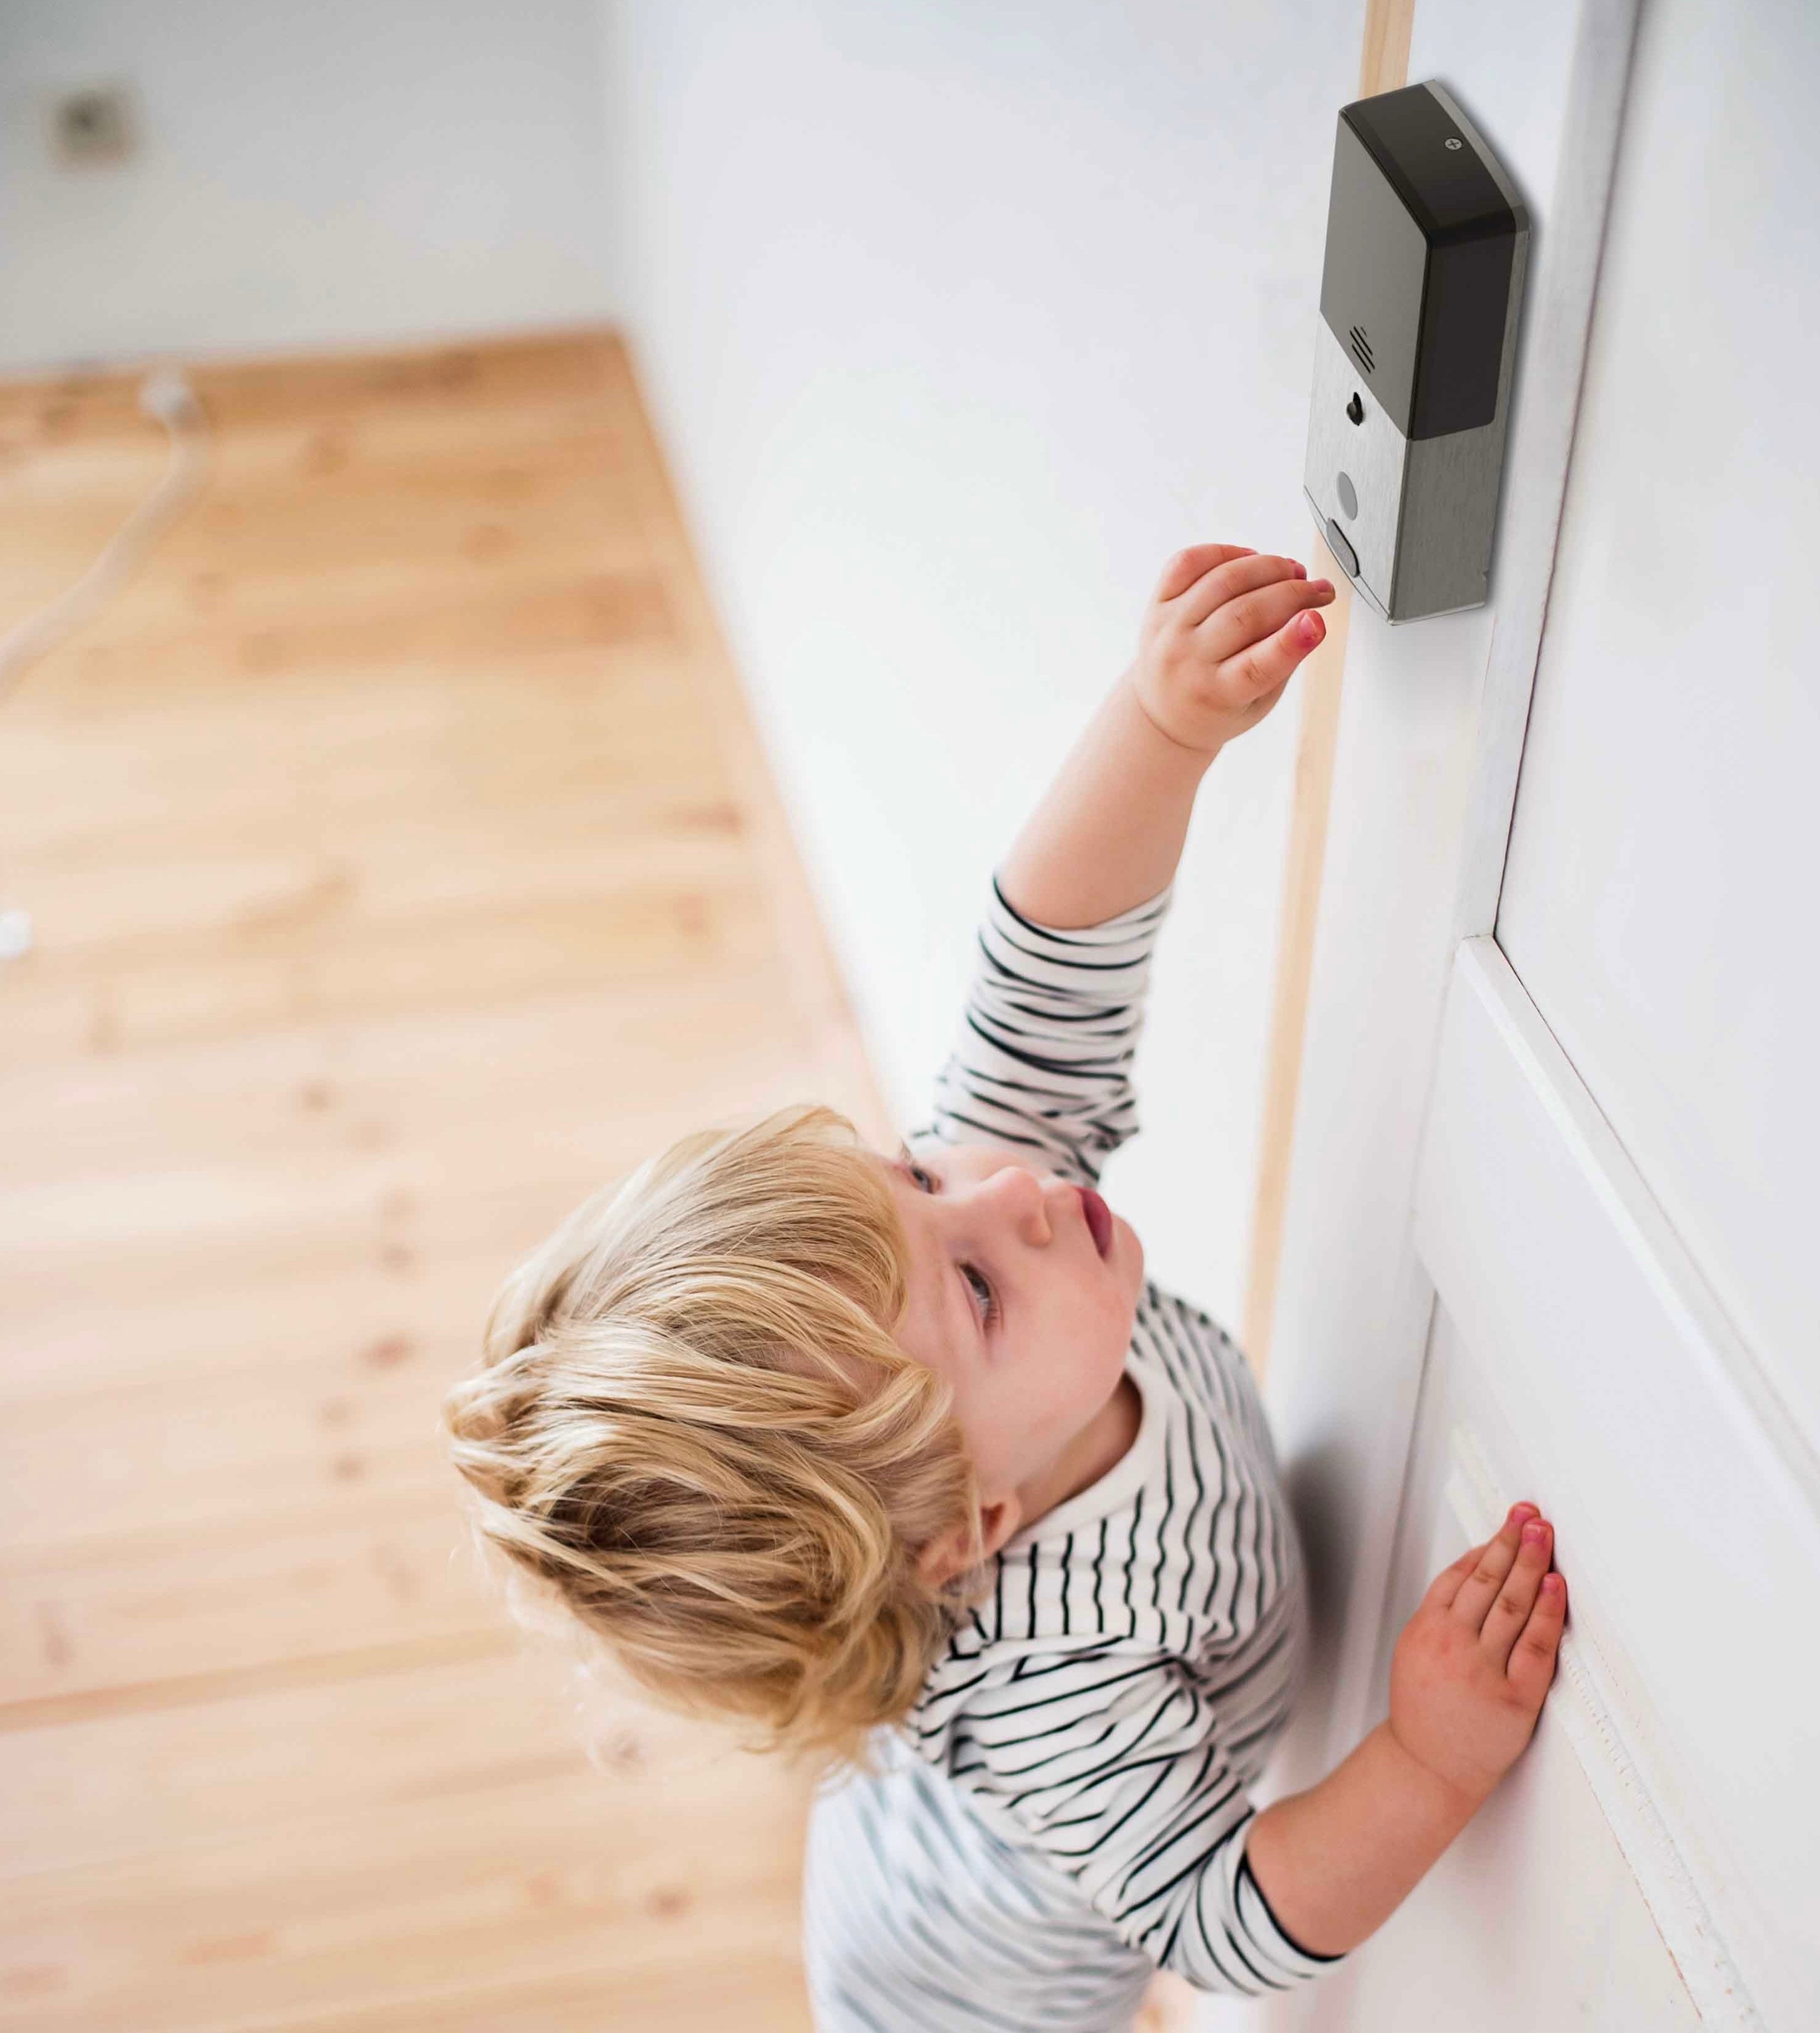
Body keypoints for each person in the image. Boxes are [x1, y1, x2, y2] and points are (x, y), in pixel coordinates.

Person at [444, 544, 1567, 2031]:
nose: (1013, 1188)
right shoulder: (1056, 1679)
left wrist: (1160, 726)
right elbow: (1225, 1921)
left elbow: (1044, 968)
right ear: (971, 1529)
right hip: (972, 2000)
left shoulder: (990, 1283)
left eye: (913, 1179)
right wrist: (1424, 1759)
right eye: (971, 1283)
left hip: (919, 1849)